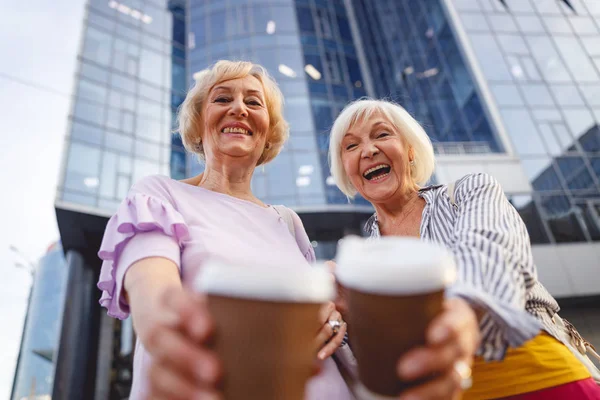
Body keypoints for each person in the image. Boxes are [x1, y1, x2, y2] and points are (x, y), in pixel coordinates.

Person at [97, 61, 477, 400]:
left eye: (254, 102)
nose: (239, 108)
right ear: (198, 121)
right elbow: (156, 304)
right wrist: (173, 340)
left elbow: (325, 316)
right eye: (222, 98)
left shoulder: (287, 221)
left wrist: (333, 318)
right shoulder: (160, 194)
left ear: (267, 131)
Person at [328, 98, 600, 399]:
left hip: (539, 375)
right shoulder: (360, 256)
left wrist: (464, 311)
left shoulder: (469, 191)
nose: (368, 151)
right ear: (347, 170)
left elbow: (489, 250)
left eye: (381, 135)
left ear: (410, 150)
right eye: (351, 146)